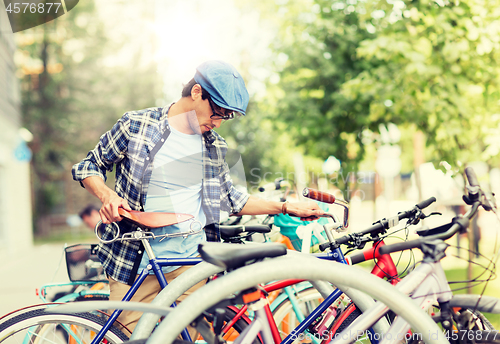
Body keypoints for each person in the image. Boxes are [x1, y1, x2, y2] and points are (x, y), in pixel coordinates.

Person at [71, 60, 324, 332]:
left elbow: (230, 200)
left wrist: (285, 207)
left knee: (188, 338)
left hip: (190, 262)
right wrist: (107, 195)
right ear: (196, 93)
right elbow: (89, 166)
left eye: (225, 117)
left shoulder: (214, 146)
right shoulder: (136, 125)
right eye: (216, 113)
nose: (217, 123)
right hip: (135, 260)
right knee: (127, 337)